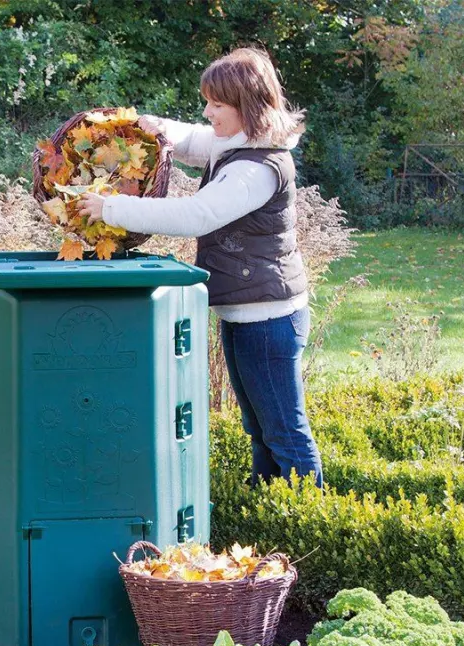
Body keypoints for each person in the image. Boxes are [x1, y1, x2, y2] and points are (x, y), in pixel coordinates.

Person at [78, 46, 323, 488]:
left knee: (284, 432)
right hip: (248, 313)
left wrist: (112, 208)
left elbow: (197, 215)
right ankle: (267, 510)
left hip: (268, 319)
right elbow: (192, 140)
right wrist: (151, 127)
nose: (208, 112)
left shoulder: (258, 168)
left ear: (247, 107)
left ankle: (306, 518)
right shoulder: (240, 140)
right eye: (206, 101)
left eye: (216, 104)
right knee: (261, 431)